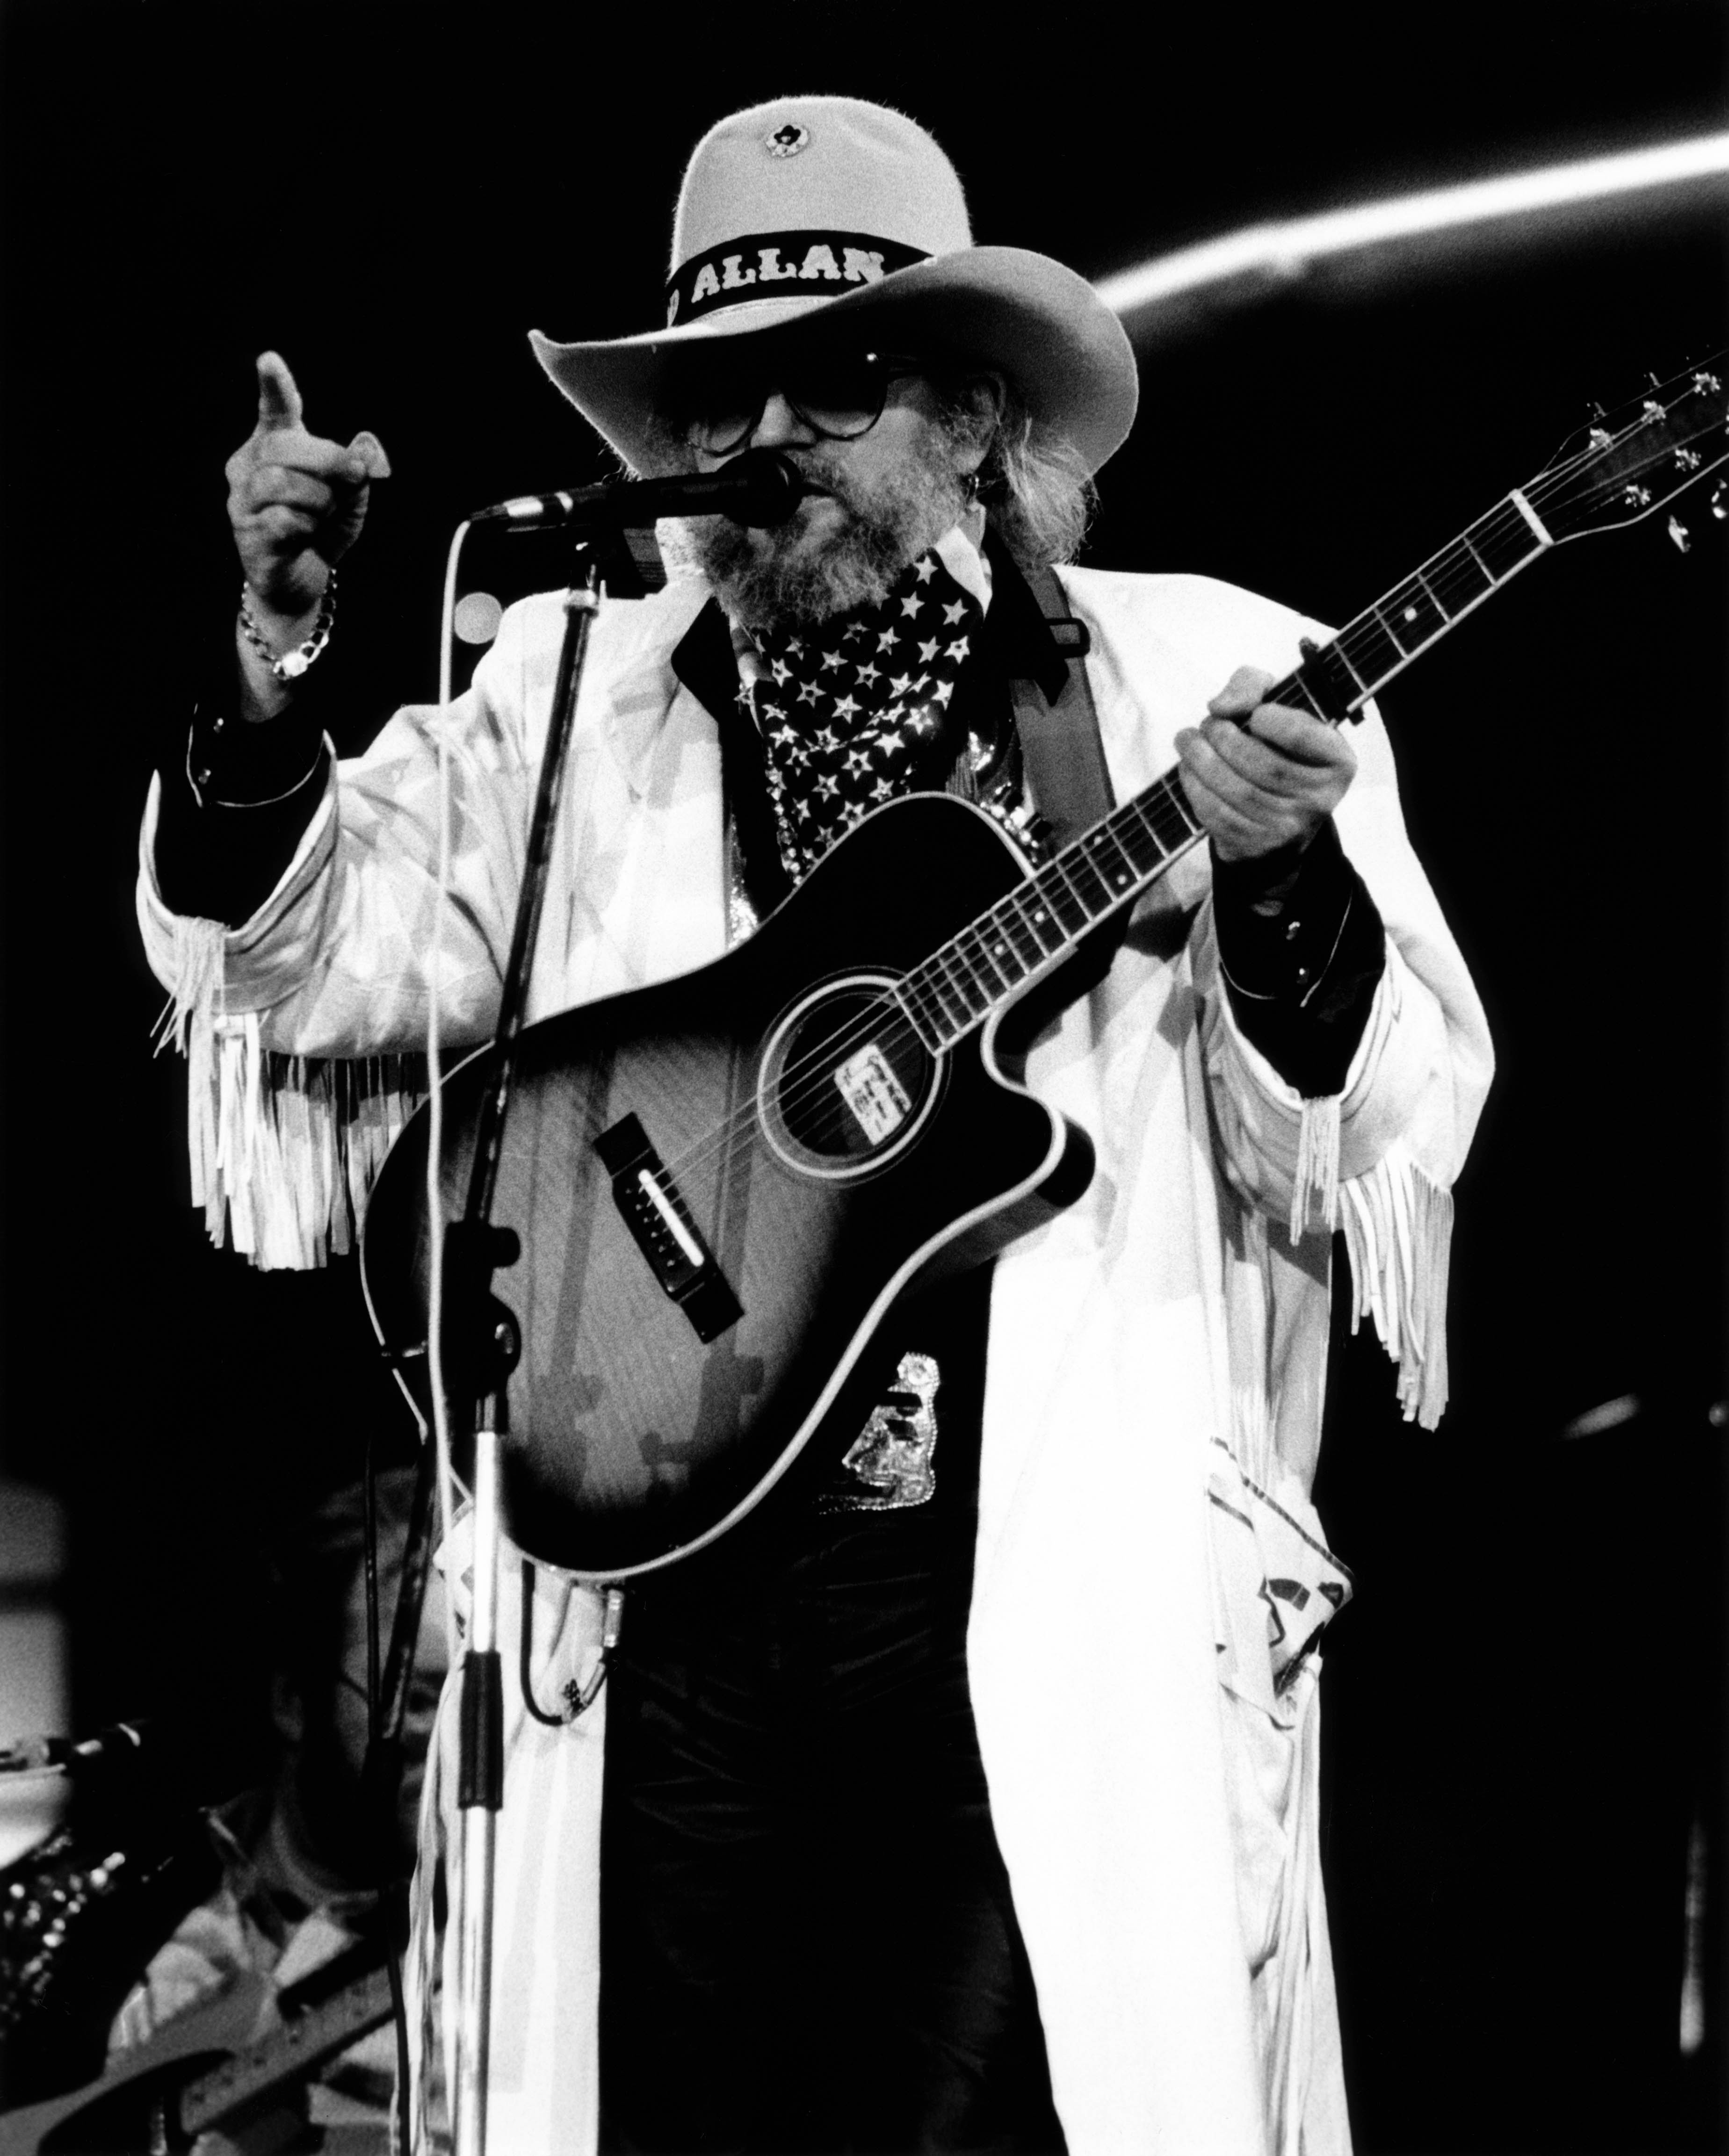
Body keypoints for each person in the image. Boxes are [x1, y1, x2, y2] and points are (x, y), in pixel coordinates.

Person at [138, 96, 1492, 2156]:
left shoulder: (1199, 675)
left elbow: (1376, 1120)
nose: (756, 438)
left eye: (829, 385)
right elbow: (312, 953)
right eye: (709, 398)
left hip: (1012, 1587)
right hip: (671, 1578)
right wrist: (277, 671)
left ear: (969, 419)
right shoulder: (570, 692)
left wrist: (1279, 878)